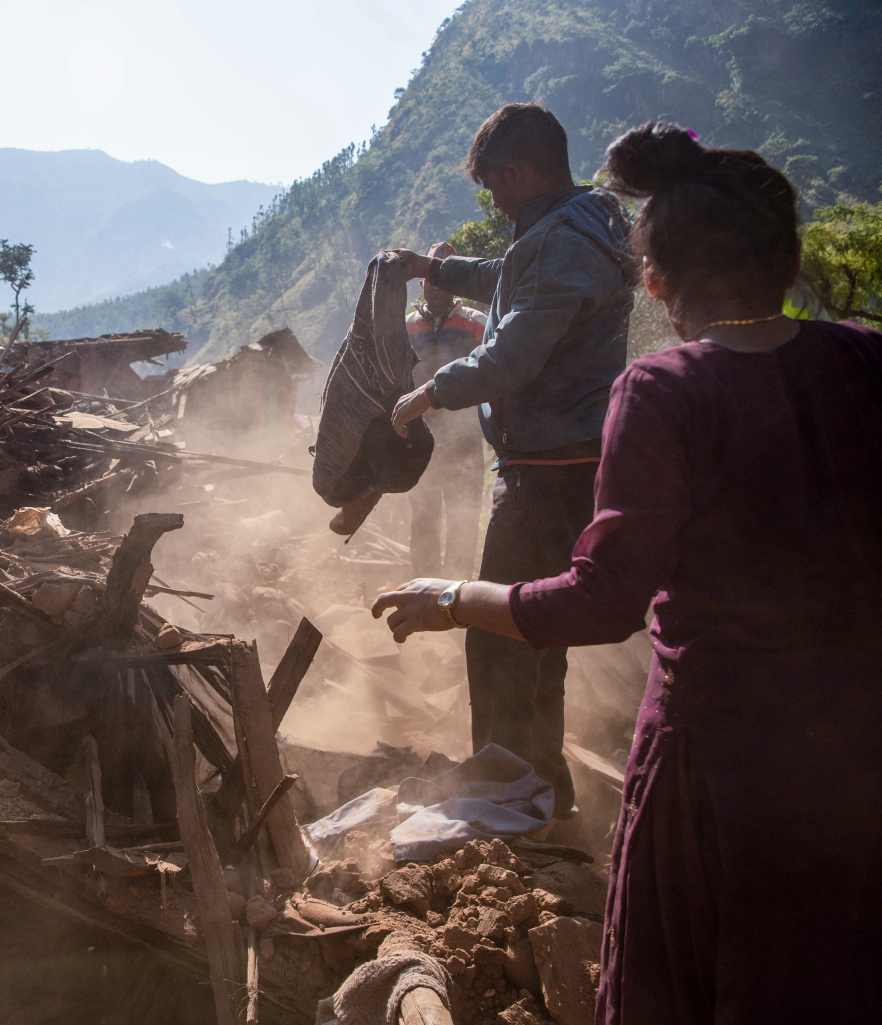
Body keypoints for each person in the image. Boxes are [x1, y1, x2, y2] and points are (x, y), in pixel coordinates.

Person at [373, 122, 882, 1023]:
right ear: (788, 255)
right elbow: (511, 285)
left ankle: (516, 786)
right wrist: (440, 272)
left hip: (716, 763)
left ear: (654, 281)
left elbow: (605, 599)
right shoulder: (863, 357)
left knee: (684, 975)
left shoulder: (662, 390)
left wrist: (449, 599)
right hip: (853, 748)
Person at [392, 104, 635, 817]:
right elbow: (507, 278)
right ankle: (540, 788)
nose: (493, 201)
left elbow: (516, 349)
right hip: (556, 464)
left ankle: (506, 799)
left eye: (494, 186)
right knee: (536, 632)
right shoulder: (572, 227)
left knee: (504, 634)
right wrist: (432, 266)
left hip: (550, 472)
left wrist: (430, 392)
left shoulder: (562, 240)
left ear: (519, 171)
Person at [406, 241, 487, 579]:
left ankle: (456, 598)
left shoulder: (477, 323)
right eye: (431, 280)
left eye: (443, 278)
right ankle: (422, 594)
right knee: (422, 520)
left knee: (462, 522)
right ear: (422, 283)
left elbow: (496, 371)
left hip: (464, 442)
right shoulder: (407, 327)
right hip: (420, 440)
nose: (436, 287)